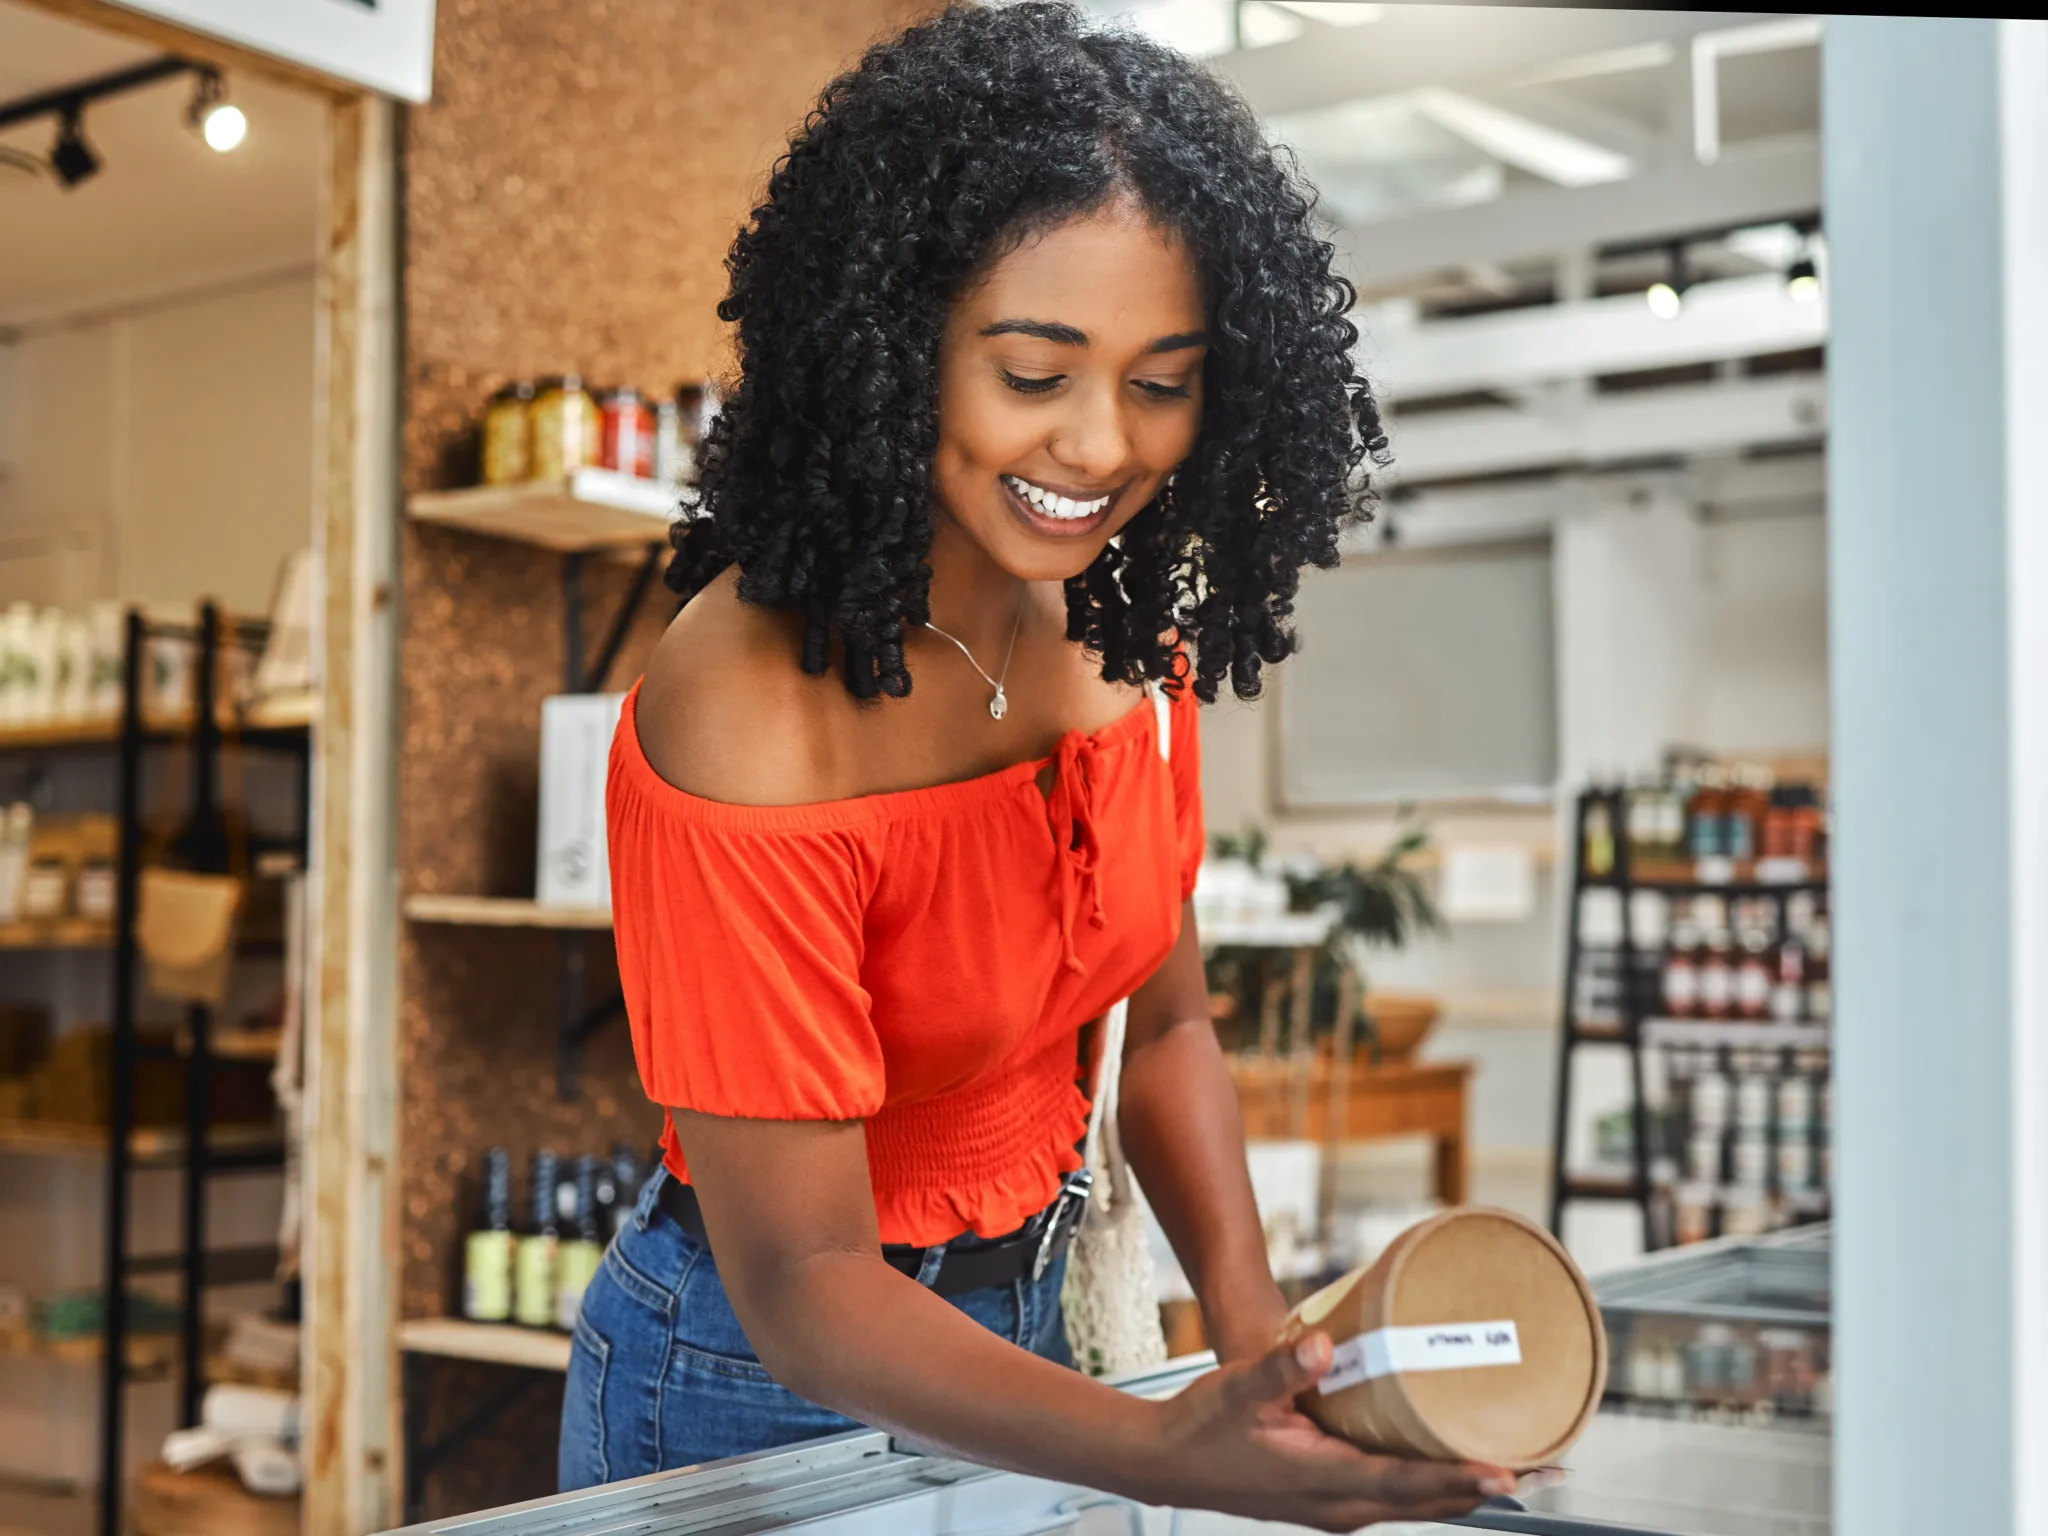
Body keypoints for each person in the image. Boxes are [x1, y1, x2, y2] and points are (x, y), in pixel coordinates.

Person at [558, 4, 1514, 1527]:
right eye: (1033, 370)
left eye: (1161, 380)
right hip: (746, 1374)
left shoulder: (1134, 641)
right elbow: (803, 1274)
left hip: (1040, 1325)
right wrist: (1164, 1454)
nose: (1098, 446)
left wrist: (1254, 1334)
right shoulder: (745, 702)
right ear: (892, 345)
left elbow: (1175, 1021)